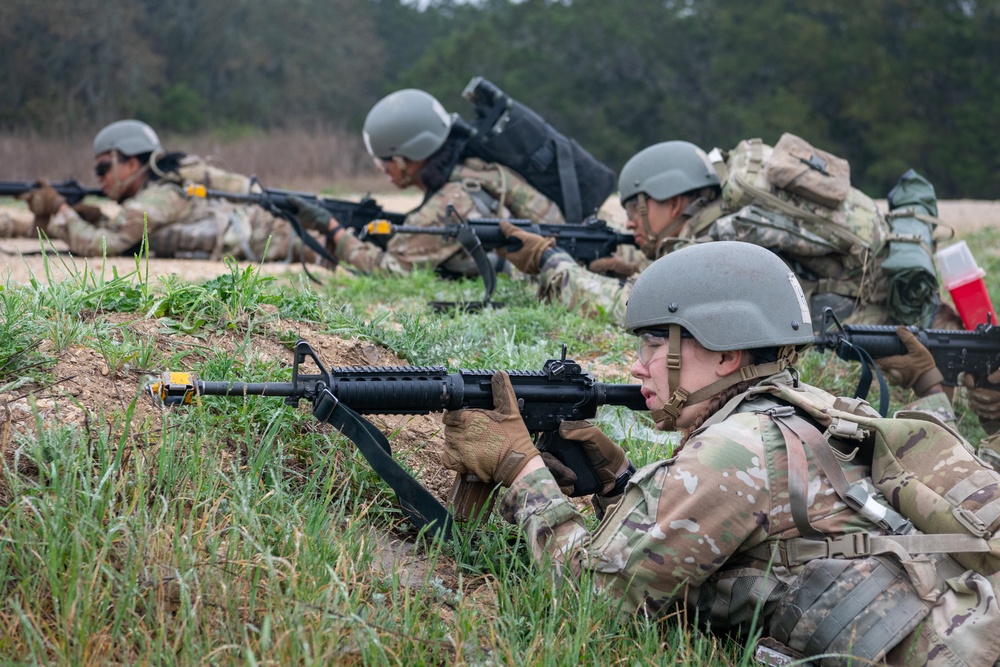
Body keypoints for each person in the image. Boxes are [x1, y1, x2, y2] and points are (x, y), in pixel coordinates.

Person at [438, 240, 1000, 666]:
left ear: (726, 353)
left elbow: (589, 601)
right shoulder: (815, 407)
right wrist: (622, 486)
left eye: (656, 343)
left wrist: (522, 472)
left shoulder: (736, 449)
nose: (638, 365)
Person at [498, 140, 963, 333]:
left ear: (672, 202)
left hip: (868, 329)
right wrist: (639, 267)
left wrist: (551, 262)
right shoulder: (734, 218)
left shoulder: (724, 232)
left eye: (636, 209)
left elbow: (632, 311)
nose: (632, 225)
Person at [289, 88, 564, 277]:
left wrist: (334, 231)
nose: (382, 170)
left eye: (383, 162)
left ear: (403, 160)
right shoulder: (471, 172)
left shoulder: (452, 201)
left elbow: (392, 270)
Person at [17, 120, 317, 263]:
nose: (100, 178)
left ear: (131, 162)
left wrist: (61, 210)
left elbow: (101, 246)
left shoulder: (160, 196)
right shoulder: (161, 192)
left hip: (289, 243)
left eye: (103, 168)